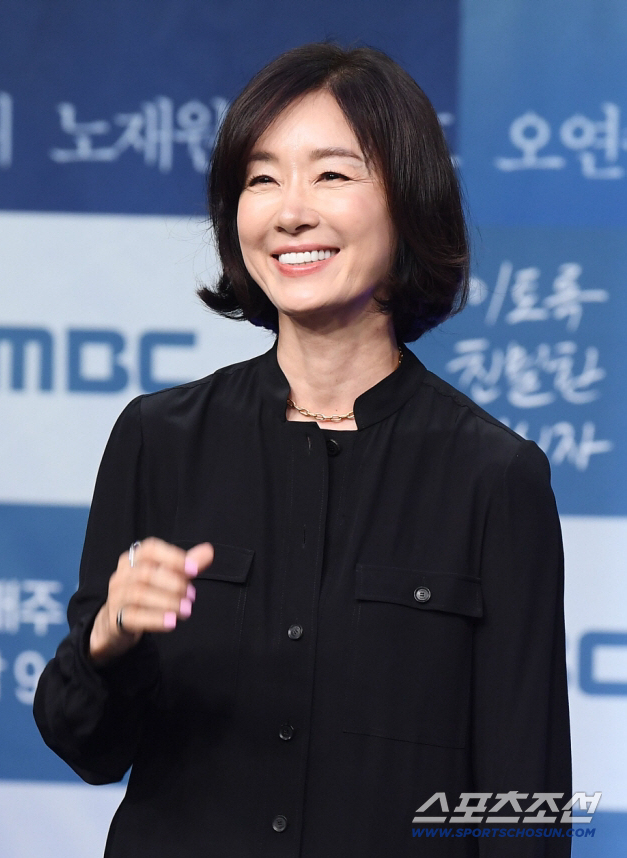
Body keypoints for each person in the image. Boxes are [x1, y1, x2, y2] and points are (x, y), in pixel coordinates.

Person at [34, 43, 571, 857]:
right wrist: (109, 639)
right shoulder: (159, 437)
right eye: (261, 179)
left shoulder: (494, 477)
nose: (290, 212)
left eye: (331, 175)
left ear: (409, 201)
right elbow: (90, 748)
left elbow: (522, 802)